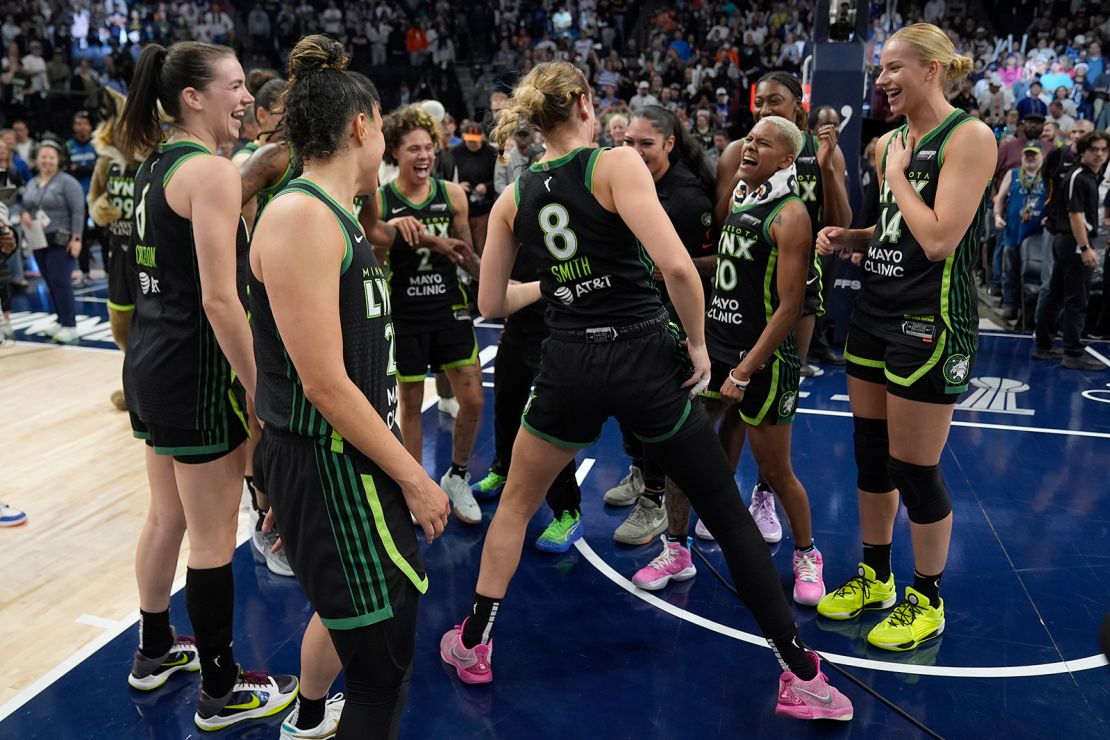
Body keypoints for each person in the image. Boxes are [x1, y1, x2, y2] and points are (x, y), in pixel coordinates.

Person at [439, 61, 853, 722]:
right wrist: (694, 344)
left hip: (569, 359)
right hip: (640, 351)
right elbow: (678, 268)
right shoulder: (614, 165)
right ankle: (800, 672)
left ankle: (474, 642)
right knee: (723, 504)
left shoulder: (518, 194)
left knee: (516, 505)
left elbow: (491, 301)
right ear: (580, 103)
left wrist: (554, 287)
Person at [251, 35, 453, 740]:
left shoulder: (333, 215)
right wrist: (418, 480)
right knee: (380, 675)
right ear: (362, 126)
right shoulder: (302, 215)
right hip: (336, 465)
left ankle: (307, 721)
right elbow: (325, 386)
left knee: (368, 652)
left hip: (333, 465)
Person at [117, 41, 298, 728]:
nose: (247, 96)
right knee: (214, 534)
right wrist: (262, 390)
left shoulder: (154, 164)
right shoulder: (212, 174)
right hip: (196, 372)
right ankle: (222, 689)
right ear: (193, 96)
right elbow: (222, 302)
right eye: (233, 85)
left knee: (167, 516)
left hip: (151, 364)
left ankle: (155, 646)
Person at [815, 23, 996, 652]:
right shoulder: (894, 140)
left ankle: (928, 598)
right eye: (879, 68)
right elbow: (897, 228)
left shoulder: (969, 137)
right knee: (870, 455)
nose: (883, 79)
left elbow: (941, 237)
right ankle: (876, 577)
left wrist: (892, 176)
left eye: (894, 67)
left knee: (912, 468)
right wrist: (853, 238)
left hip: (930, 320)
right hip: (874, 310)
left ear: (932, 70)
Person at [713, 71, 853, 542]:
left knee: (774, 385)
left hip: (798, 290)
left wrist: (831, 165)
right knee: (734, 401)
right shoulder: (745, 153)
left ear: (799, 103)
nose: (765, 108)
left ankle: (764, 495)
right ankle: (725, 499)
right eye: (759, 102)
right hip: (747, 286)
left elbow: (841, 222)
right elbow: (725, 226)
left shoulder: (816, 156)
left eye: (776, 100)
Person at [607, 105, 716, 548]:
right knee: (629, 410)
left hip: (670, 323)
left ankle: (654, 501)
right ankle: (639, 474)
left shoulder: (688, 197)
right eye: (628, 142)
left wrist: (673, 267)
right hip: (630, 315)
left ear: (670, 144)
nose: (634, 151)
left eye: (645, 144)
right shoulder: (619, 182)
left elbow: (711, 263)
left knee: (659, 417)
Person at [379, 105, 483, 525]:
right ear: (395, 154)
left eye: (430, 148)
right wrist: (391, 231)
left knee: (473, 399)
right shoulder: (381, 201)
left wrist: (501, 284)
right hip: (403, 310)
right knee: (412, 403)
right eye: (414, 149)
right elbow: (372, 256)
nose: (424, 156)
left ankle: (457, 475)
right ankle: (415, 486)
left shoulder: (452, 195)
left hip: (448, 306)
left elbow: (468, 256)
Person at [88, 87, 145, 411]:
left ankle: (144, 390)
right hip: (117, 254)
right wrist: (99, 209)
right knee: (121, 327)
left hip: (147, 252)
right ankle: (131, 386)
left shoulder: (149, 162)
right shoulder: (105, 163)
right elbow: (93, 202)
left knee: (150, 325)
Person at [1033, 130, 1109, 371]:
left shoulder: (1087, 176)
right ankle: (1073, 352)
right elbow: (1075, 214)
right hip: (1073, 242)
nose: (1099, 154)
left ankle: (1044, 344)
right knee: (1077, 298)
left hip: (1068, 241)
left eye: (1103, 150)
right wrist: (1085, 247)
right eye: (1094, 149)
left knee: (1056, 293)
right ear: (1084, 151)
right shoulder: (1079, 176)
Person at [19, 140, 85, 345]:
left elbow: (78, 210)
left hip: (61, 238)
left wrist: (76, 238)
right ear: (37, 159)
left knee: (60, 282)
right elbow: (26, 205)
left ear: (58, 160)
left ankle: (70, 326)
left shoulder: (67, 182)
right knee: (49, 283)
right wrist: (24, 215)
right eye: (43, 156)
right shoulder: (32, 182)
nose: (47, 160)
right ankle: (60, 320)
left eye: (51, 157)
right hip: (39, 239)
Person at [993, 144, 1046, 322]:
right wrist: (997, 216)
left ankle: (1030, 309)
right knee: (1010, 271)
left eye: (1034, 156)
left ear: (1041, 157)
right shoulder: (1013, 174)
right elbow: (999, 198)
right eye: (1027, 155)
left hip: (1037, 235)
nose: (1030, 158)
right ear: (1022, 157)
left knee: (1034, 274)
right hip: (1013, 232)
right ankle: (1010, 305)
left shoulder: (1047, 176)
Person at [451, 121, 497, 254]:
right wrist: (457, 186)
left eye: (475, 141)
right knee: (465, 245)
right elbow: (446, 178)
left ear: (482, 137)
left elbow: (499, 179)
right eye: (469, 140)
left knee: (481, 244)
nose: (472, 143)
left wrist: (487, 187)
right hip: (462, 203)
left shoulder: (490, 152)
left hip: (484, 205)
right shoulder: (455, 152)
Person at [67, 110, 99, 287]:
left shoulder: (97, 144)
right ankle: (85, 273)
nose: (82, 126)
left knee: (104, 237)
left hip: (98, 197)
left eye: (85, 123)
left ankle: (110, 273)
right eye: (78, 123)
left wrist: (78, 168)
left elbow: (99, 169)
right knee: (82, 237)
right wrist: (88, 168)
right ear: (73, 126)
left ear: (90, 126)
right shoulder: (69, 146)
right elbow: (65, 169)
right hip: (77, 200)